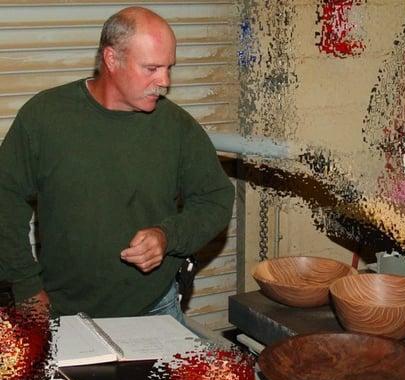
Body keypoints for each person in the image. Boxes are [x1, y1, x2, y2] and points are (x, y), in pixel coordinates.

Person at [0, 7, 235, 322]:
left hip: (154, 309)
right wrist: (26, 286)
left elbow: (216, 198)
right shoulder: (44, 117)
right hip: (61, 311)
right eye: (151, 68)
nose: (164, 81)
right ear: (111, 59)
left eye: (169, 68)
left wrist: (168, 236)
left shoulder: (177, 127)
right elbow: (5, 197)